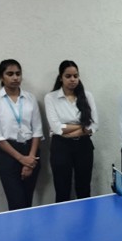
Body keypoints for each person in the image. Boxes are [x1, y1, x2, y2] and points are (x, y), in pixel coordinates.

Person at [0, 60, 44, 210]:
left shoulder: (30, 98)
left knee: (27, 200)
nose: (15, 77)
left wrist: (30, 159)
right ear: (1, 77)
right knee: (16, 202)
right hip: (8, 153)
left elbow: (37, 130)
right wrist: (22, 159)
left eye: (18, 74)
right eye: (10, 74)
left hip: (31, 150)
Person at [44, 61, 98, 202]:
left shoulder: (87, 96)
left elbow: (94, 125)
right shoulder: (51, 97)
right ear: (61, 77)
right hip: (61, 146)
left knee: (84, 188)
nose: (72, 79)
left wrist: (74, 131)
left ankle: (86, 215)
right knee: (62, 189)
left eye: (75, 76)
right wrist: (82, 126)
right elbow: (56, 127)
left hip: (84, 145)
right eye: (68, 76)